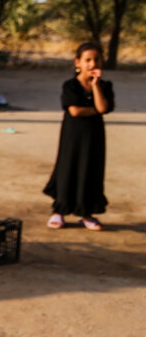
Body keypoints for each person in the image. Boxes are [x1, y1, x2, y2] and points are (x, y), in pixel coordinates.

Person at [43, 42, 114, 230]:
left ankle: (86, 214)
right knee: (68, 168)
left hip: (94, 136)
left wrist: (96, 86)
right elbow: (74, 111)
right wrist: (96, 110)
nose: (92, 64)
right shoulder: (70, 85)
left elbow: (104, 107)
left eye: (96, 59)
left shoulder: (105, 86)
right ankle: (59, 211)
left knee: (90, 170)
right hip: (72, 135)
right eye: (87, 60)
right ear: (78, 62)